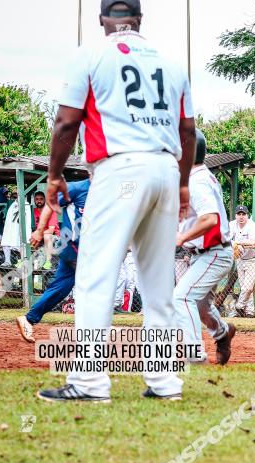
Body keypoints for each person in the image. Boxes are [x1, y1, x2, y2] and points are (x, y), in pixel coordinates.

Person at [37, 0, 196, 403]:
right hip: (164, 167)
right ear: (140, 20)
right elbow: (189, 132)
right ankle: (164, 384)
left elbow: (67, 122)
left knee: (94, 276)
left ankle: (89, 383)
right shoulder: (172, 63)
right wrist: (181, 185)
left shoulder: (90, 55)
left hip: (121, 169)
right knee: (159, 285)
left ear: (103, 20)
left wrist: (55, 175)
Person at [172, 129, 237, 365]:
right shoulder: (200, 176)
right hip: (205, 254)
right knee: (198, 303)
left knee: (181, 298)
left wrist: (181, 238)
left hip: (215, 253)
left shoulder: (197, 181)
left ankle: (194, 355)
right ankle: (222, 333)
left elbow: (210, 219)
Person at [15, 179, 91, 343]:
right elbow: (50, 204)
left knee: (60, 288)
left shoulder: (107, 191)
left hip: (89, 250)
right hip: (73, 248)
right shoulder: (77, 188)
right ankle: (93, 326)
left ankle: (29, 319)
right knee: (95, 282)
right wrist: (40, 231)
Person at [229, 204, 255, 318]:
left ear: (247, 215)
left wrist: (236, 243)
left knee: (247, 287)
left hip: (253, 259)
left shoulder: (252, 225)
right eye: (239, 214)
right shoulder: (232, 225)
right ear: (235, 215)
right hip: (240, 259)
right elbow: (224, 238)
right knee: (246, 288)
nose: (241, 217)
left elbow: (252, 242)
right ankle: (250, 312)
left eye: (244, 214)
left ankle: (238, 307)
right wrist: (232, 243)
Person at [32, 191, 60, 269]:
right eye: (37, 199)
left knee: (47, 236)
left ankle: (48, 262)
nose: (39, 201)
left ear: (45, 200)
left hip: (54, 238)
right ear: (34, 200)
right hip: (39, 239)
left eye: (41, 199)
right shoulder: (32, 212)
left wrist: (38, 234)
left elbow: (51, 230)